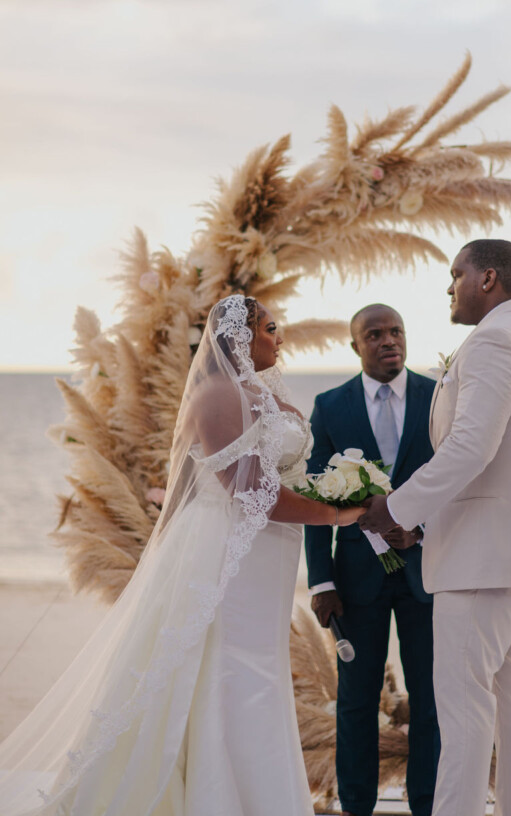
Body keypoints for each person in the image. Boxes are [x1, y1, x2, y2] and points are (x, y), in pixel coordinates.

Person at [0, 295, 364, 816]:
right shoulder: (216, 394)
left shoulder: (263, 393)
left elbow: (284, 477)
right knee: (231, 667)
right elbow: (247, 490)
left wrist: (335, 490)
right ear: (240, 337)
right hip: (224, 551)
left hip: (269, 557)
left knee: (260, 666)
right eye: (270, 327)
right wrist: (336, 514)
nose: (279, 337)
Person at [359, 241, 511, 816]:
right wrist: (424, 526)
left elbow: (473, 447)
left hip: (485, 559)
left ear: (488, 279)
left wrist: (397, 509)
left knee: (463, 707)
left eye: (456, 275)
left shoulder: (495, 342)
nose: (449, 286)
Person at [305, 304, 440, 816]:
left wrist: (422, 526)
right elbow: (315, 496)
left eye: (396, 331)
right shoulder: (330, 406)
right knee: (356, 701)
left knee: (429, 695)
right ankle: (356, 805)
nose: (389, 341)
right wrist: (320, 582)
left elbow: (456, 477)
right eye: (375, 334)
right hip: (356, 578)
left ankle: (426, 803)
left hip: (427, 570)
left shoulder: (435, 397)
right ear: (355, 345)